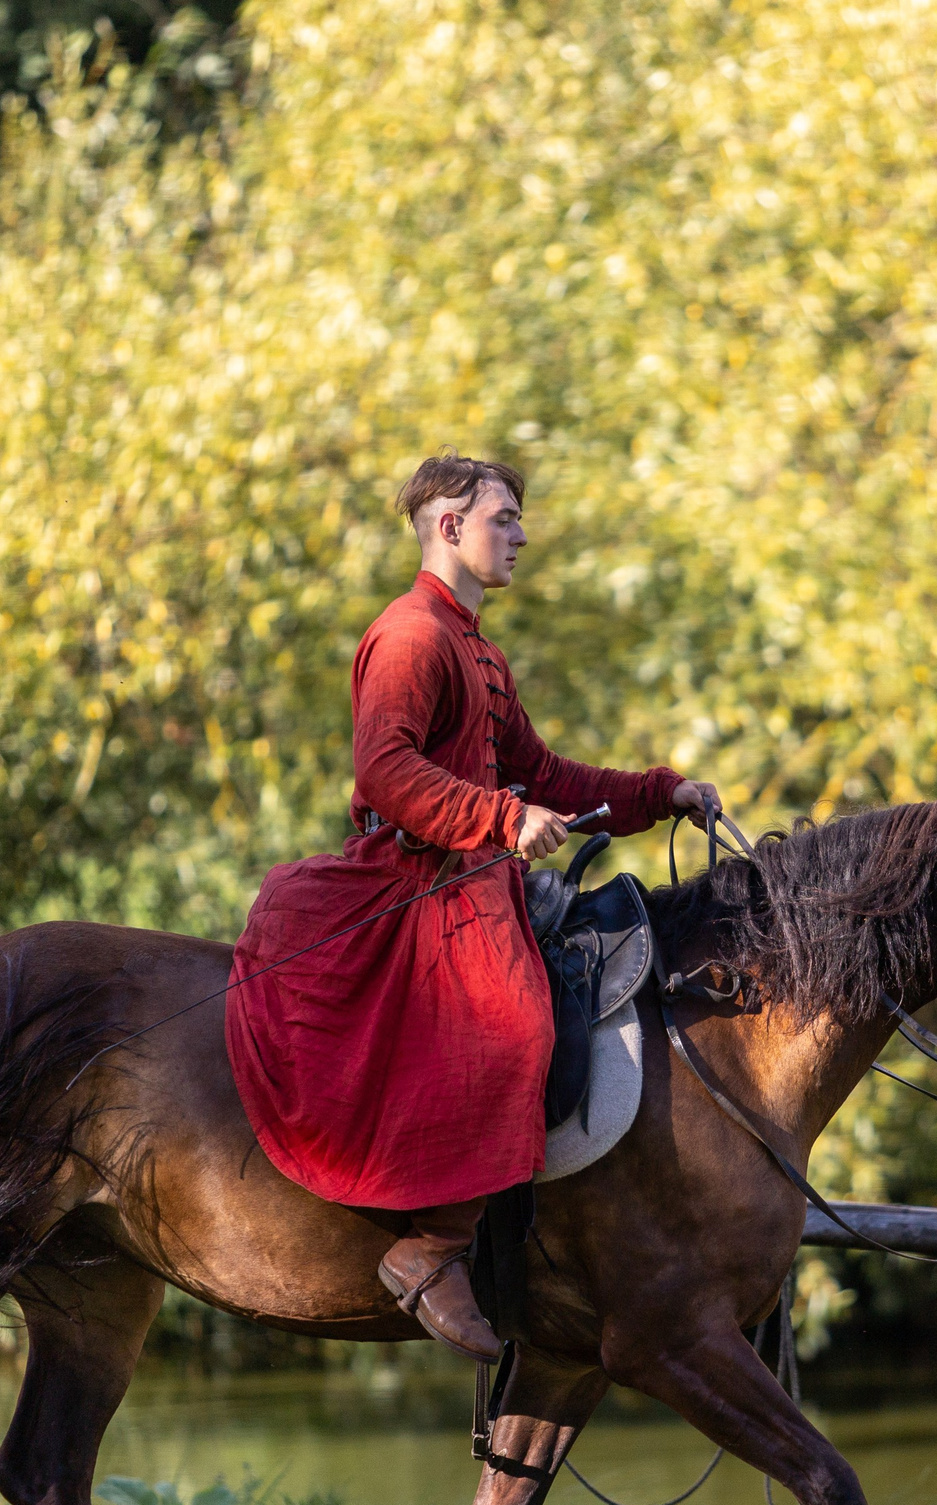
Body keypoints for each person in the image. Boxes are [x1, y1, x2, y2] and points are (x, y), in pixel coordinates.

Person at [223, 453, 722, 1360]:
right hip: (417, 880)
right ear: (448, 527)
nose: (521, 534)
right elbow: (387, 770)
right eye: (504, 517)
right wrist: (500, 816)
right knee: (515, 1023)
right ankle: (431, 1247)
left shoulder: (476, 647)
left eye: (518, 517)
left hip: (470, 874)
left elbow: (544, 773)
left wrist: (661, 791)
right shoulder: (412, 635)